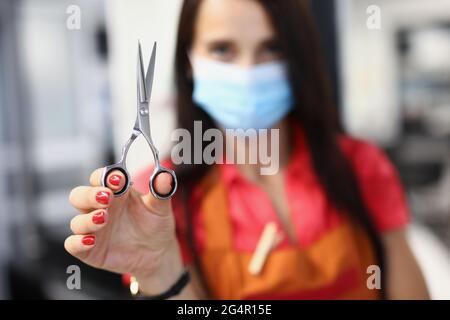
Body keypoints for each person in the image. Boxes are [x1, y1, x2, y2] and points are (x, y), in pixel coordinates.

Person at [65, 0, 429, 299]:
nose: (248, 71)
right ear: (189, 61)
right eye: (223, 49)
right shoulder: (156, 197)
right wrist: (160, 274)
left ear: (297, 60)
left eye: (271, 48)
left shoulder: (360, 165)